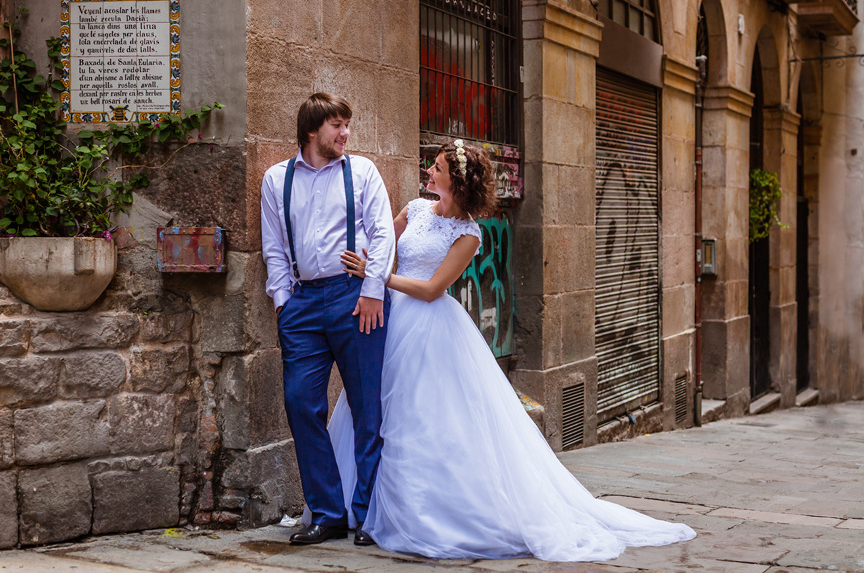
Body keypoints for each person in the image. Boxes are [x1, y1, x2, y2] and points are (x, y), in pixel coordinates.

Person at [322, 139, 697, 561]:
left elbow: (431, 289)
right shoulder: (413, 209)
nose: (429, 172)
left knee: (424, 419)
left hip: (429, 329)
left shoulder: (468, 235)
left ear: (457, 181)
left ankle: (421, 510)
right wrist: (361, 261)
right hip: (388, 324)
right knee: (371, 409)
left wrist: (382, 280)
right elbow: (382, 251)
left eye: (438, 168)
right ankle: (355, 504)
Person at [260, 92, 395, 547]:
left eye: (347, 125)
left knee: (366, 408)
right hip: (302, 304)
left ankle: (368, 515)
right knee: (301, 404)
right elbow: (274, 247)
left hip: (355, 299)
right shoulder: (276, 179)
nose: (345, 134)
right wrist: (283, 303)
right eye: (337, 125)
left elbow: (382, 233)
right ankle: (330, 512)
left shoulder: (363, 172)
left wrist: (374, 289)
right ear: (312, 131)